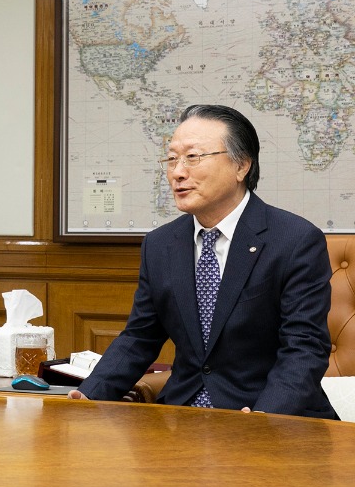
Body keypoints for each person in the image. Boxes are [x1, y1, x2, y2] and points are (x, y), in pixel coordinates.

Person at [68, 104, 337, 419]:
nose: (178, 172)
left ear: (242, 166)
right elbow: (140, 336)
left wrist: (266, 417)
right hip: (183, 417)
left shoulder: (294, 240)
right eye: (172, 159)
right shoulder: (160, 245)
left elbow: (304, 349)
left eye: (193, 157)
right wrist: (88, 395)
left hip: (269, 415)